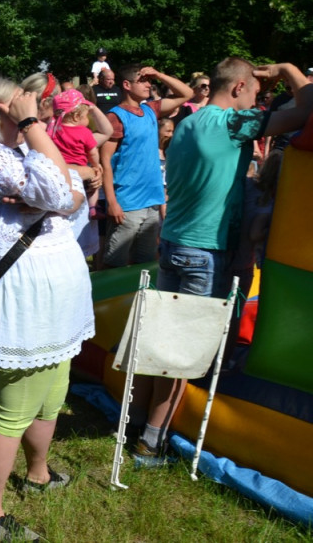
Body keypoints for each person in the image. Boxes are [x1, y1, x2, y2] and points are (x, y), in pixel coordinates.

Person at [131, 60, 313, 465]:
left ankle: (133, 421)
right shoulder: (234, 125)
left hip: (174, 245)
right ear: (238, 88)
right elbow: (308, 109)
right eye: (255, 94)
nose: (258, 102)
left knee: (161, 343)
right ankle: (151, 442)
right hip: (204, 254)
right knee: (183, 354)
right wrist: (287, 70)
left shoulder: (190, 121)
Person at [0, 76, 92, 541]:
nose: (26, 109)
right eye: (12, 106)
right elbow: (60, 195)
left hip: (56, 294)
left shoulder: (18, 156)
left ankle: (38, 473)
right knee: (14, 408)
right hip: (24, 297)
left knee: (52, 393)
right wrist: (33, 125)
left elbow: (71, 195)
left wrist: (56, 188)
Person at [100, 64, 193, 268]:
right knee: (114, 266)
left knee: (145, 266)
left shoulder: (151, 110)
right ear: (126, 85)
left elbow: (187, 93)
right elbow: (105, 161)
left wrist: (159, 74)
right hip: (127, 204)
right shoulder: (116, 117)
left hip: (152, 201)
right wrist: (112, 202)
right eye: (142, 80)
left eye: (150, 81)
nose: (149, 85)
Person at [48, 89, 113, 216]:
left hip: (60, 180)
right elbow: (93, 152)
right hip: (80, 173)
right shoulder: (84, 132)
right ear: (77, 117)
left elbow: (107, 131)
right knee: (94, 183)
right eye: (86, 115)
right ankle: (93, 207)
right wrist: (96, 165)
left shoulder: (52, 131)